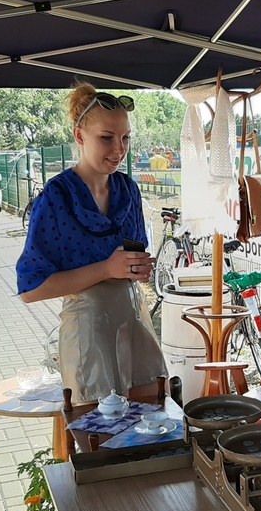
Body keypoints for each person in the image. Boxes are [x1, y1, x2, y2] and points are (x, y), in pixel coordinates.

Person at [17, 83, 166, 403]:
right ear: (80, 135)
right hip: (88, 334)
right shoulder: (57, 197)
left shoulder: (128, 189)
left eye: (125, 137)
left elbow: (130, 262)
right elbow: (31, 289)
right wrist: (106, 269)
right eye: (107, 137)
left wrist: (138, 269)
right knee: (100, 431)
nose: (119, 149)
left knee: (153, 423)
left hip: (135, 322)